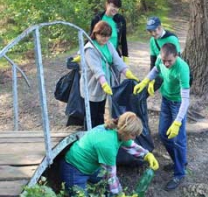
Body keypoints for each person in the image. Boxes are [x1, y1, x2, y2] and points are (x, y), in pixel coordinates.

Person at [133, 43, 190, 191]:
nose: (166, 63)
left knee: (178, 140)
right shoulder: (161, 58)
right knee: (164, 135)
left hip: (178, 104)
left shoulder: (183, 68)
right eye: (164, 60)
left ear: (176, 56)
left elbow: (186, 99)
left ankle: (179, 173)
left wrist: (177, 122)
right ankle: (180, 161)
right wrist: (145, 81)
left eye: (169, 61)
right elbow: (156, 69)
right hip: (165, 101)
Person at [60, 112, 159, 196]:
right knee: (82, 194)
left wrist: (147, 155)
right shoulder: (108, 145)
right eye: (133, 135)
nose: (134, 138)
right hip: (74, 168)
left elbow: (131, 145)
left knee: (107, 187)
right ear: (124, 131)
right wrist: (120, 194)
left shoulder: (116, 130)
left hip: (92, 167)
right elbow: (110, 176)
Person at [73, 21, 139, 128]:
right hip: (92, 87)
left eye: (108, 36)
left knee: (100, 114)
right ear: (96, 34)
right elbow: (96, 69)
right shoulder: (90, 49)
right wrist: (104, 83)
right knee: (91, 116)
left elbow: (117, 61)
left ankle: (99, 134)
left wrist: (127, 72)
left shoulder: (108, 45)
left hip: (104, 87)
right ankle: (89, 136)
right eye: (102, 35)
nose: (105, 38)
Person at [146, 16, 182, 94]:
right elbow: (153, 61)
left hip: (170, 71)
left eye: (154, 31)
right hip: (158, 70)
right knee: (144, 90)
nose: (153, 34)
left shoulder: (172, 38)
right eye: (150, 31)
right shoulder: (152, 40)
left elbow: (178, 59)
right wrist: (151, 80)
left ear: (160, 27)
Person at [90, 0, 129, 64]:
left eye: (117, 7)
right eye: (113, 6)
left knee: (115, 75)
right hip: (99, 56)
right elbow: (91, 37)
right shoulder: (97, 19)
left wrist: (125, 57)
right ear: (107, 4)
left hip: (115, 57)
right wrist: (82, 53)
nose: (115, 9)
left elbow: (123, 39)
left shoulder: (121, 20)